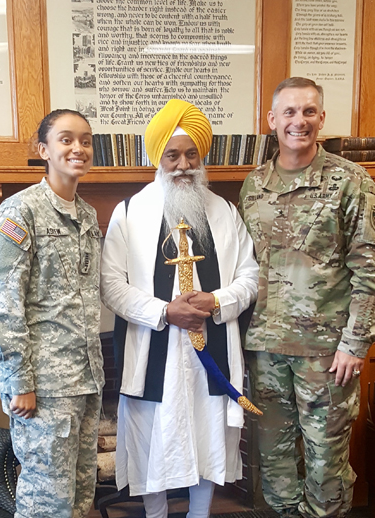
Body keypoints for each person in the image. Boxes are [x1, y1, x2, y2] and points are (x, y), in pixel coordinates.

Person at [239, 77, 375, 518]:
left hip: (327, 353)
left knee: (326, 462)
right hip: (266, 349)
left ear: (321, 119)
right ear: (272, 120)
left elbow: (373, 270)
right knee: (274, 461)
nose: (299, 121)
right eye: (288, 112)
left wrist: (356, 343)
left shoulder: (351, 182)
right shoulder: (254, 186)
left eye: (308, 112)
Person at [101, 99, 258, 518]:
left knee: (208, 429)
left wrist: (217, 300)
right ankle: (155, 514)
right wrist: (165, 312)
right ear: (159, 158)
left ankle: (200, 513)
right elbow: (111, 285)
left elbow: (250, 276)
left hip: (212, 346)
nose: (183, 164)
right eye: (173, 155)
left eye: (192, 154)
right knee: (152, 433)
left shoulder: (224, 212)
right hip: (154, 346)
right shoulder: (130, 213)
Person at [0, 109, 104, 518]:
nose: (78, 148)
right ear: (44, 150)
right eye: (66, 139)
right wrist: (18, 380)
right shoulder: (20, 213)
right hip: (44, 386)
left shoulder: (87, 216)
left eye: (85, 140)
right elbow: (1, 303)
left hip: (85, 380)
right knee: (45, 503)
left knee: (81, 496)